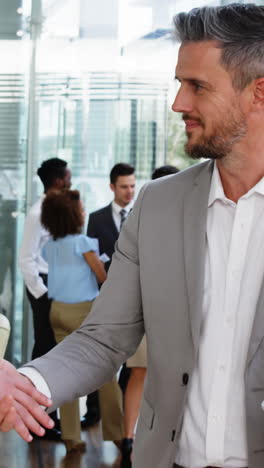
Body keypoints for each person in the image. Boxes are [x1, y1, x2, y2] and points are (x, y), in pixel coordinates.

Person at [1, 3, 264, 468]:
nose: (178, 103)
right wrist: (26, 385)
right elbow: (104, 340)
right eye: (179, 83)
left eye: (196, 86)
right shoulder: (157, 203)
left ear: (257, 93)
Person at [121, 164, 180, 468]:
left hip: (156, 309)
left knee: (142, 374)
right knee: (147, 374)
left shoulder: (143, 218)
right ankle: (132, 440)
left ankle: (132, 440)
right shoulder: (168, 220)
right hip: (155, 310)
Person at [40, 189, 106, 454]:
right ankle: (117, 434)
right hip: (82, 311)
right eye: (80, 208)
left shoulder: (50, 246)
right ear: (73, 214)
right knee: (105, 374)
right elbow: (101, 276)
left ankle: (71, 437)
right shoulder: (84, 243)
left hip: (56, 311)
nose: (84, 211)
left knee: (64, 375)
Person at [18, 157, 72, 440]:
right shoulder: (37, 213)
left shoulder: (58, 209)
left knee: (56, 353)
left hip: (58, 286)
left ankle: (47, 419)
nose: (71, 179)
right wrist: (43, 295)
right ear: (59, 180)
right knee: (44, 352)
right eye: (68, 175)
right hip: (44, 288)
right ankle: (35, 421)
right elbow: (26, 260)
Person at [84, 162, 136, 444]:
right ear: (112, 187)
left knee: (132, 364)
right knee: (99, 354)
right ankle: (94, 412)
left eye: (133, 186)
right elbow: (92, 255)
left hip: (136, 298)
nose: (130, 192)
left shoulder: (142, 213)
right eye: (124, 187)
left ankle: (125, 423)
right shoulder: (96, 218)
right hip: (104, 295)